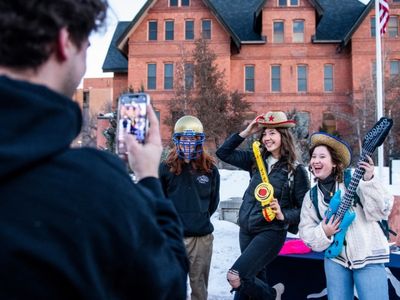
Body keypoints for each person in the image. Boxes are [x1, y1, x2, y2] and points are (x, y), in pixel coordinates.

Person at [0, 1, 188, 299]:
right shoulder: (95, 188)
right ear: (63, 44)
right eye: (86, 46)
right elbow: (170, 284)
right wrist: (150, 178)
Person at [216, 111, 310, 300]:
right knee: (253, 278)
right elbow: (223, 153)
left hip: (271, 231)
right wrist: (247, 131)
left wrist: (283, 214)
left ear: (284, 136)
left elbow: (304, 209)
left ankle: (273, 295)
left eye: (273, 133)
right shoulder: (255, 160)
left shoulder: (295, 170)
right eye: (265, 133)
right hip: (247, 229)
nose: (267, 138)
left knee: (237, 276)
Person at [299, 132, 394, 300]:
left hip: (368, 256)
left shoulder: (355, 181)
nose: (316, 161)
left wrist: (369, 179)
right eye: (314, 156)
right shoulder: (311, 196)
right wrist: (324, 231)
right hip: (336, 260)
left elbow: (382, 209)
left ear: (335, 162)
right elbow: (306, 234)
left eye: (322, 156)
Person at [159, 115, 220, 300]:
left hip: (200, 237)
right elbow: (158, 201)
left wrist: (197, 217)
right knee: (170, 286)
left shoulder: (210, 169)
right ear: (177, 140)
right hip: (172, 236)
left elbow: (213, 202)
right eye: (183, 139)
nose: (187, 143)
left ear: (198, 141)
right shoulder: (165, 168)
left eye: (192, 139)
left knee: (199, 286)